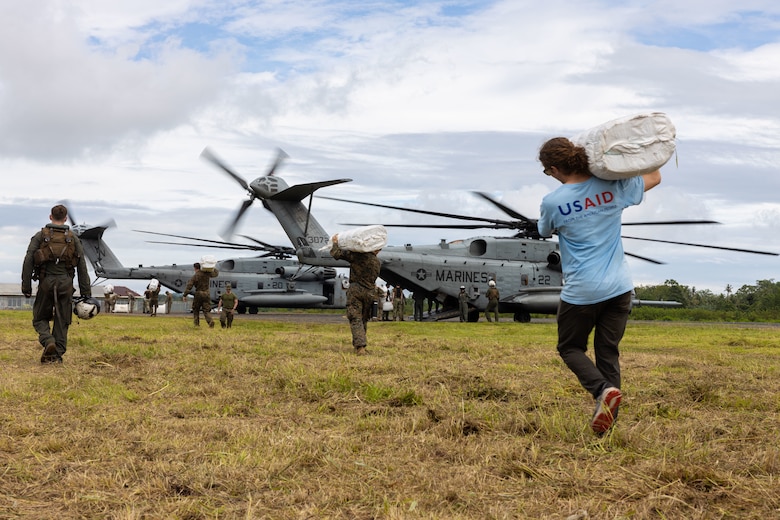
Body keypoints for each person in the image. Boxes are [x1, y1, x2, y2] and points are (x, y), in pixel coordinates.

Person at [537, 136, 662, 435]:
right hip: (620, 288)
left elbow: (544, 228)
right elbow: (655, 176)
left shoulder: (553, 201)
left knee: (569, 347)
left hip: (582, 291)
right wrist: (647, 149)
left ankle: (602, 391)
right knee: (607, 352)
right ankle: (607, 424)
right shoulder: (613, 187)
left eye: (547, 172)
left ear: (554, 168)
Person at [21, 204, 92, 363]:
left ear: (50, 217)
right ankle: (56, 355)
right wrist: (86, 292)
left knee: (39, 318)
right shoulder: (73, 238)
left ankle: (48, 341)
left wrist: (26, 286)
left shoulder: (40, 236)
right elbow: (82, 266)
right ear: (65, 218)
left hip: (46, 282)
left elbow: (28, 261)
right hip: (66, 284)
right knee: (62, 320)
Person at [330, 234, 382, 355]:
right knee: (363, 319)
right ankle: (359, 345)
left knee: (355, 317)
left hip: (356, 290)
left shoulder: (359, 256)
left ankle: (360, 347)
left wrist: (335, 242)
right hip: (369, 292)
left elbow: (336, 254)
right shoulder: (377, 262)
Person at [183, 262, 219, 327]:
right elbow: (216, 274)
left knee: (196, 309)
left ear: (195, 268)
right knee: (206, 310)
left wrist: (185, 295)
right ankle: (210, 321)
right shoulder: (207, 274)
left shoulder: (196, 276)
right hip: (207, 293)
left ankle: (196, 324)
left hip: (199, 293)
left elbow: (189, 285)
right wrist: (213, 266)